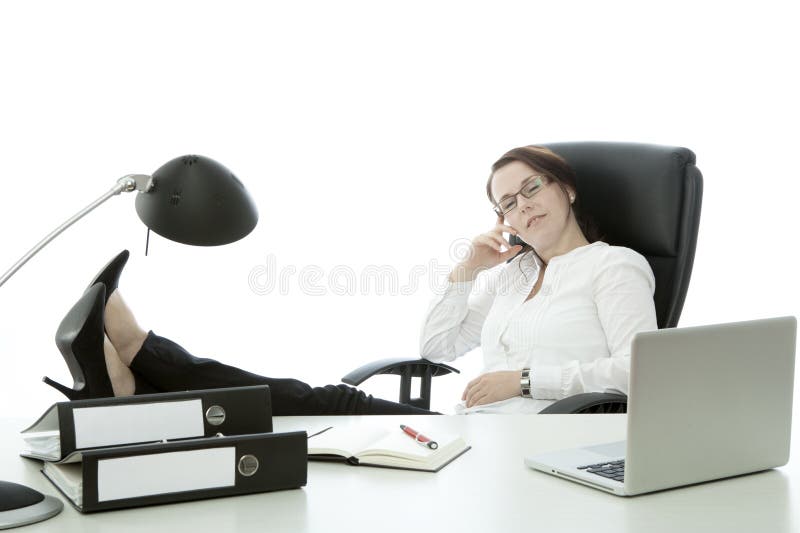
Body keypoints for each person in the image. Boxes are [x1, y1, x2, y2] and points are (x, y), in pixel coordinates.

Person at [44, 250, 434, 416]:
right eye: (497, 204)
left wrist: (501, 384)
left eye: (502, 203)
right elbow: (436, 344)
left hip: (482, 430)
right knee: (338, 404)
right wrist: (467, 270)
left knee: (341, 406)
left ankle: (130, 372)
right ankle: (131, 376)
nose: (499, 216)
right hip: (470, 424)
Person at [419, 145, 657, 414]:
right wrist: (468, 269)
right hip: (477, 427)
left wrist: (523, 381)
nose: (523, 205)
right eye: (509, 203)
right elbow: (436, 348)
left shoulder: (614, 266)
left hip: (547, 437)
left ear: (567, 189)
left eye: (532, 187)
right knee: (363, 412)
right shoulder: (514, 274)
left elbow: (636, 372)